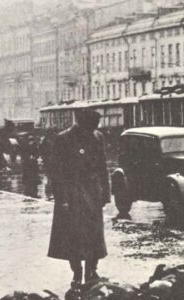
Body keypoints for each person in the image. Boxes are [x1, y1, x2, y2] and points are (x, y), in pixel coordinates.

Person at [48, 109, 110, 286]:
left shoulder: (97, 137)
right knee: (72, 234)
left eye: (96, 126)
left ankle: (92, 269)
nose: (94, 129)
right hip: (71, 190)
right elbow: (56, 172)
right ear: (82, 123)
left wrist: (105, 193)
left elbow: (103, 168)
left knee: (94, 233)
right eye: (92, 126)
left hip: (92, 191)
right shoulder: (64, 138)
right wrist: (62, 198)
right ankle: (77, 271)